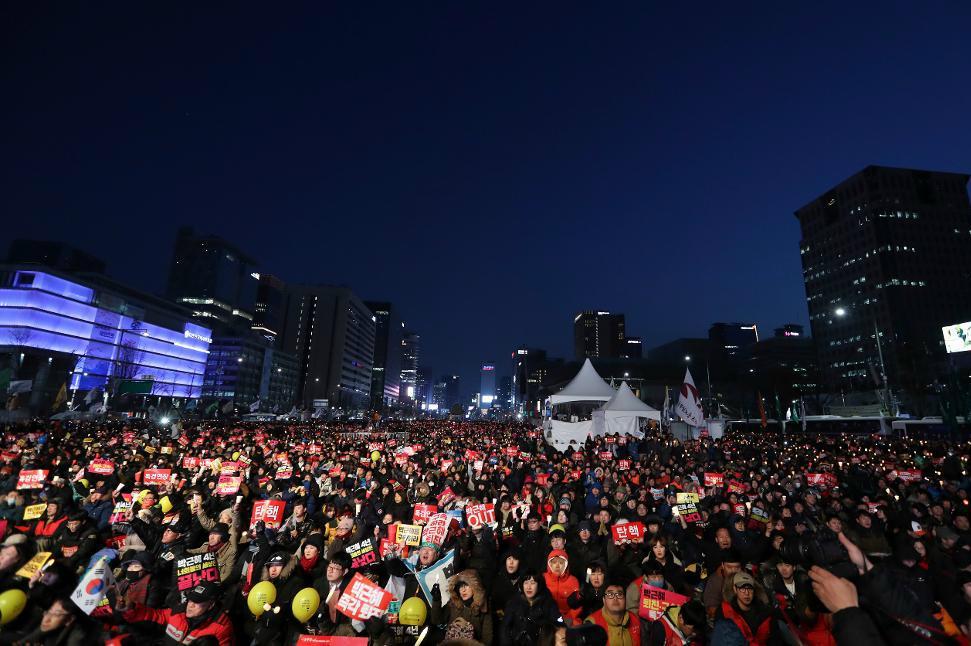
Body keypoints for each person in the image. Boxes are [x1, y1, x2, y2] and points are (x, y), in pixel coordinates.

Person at [117, 579, 234, 645]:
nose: (191, 605)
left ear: (211, 605)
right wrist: (131, 607)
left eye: (197, 602)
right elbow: (156, 615)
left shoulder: (221, 627)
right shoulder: (179, 611)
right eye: (191, 599)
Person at [431, 569, 493, 644]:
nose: (463, 590)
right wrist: (436, 600)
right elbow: (436, 620)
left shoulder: (483, 607)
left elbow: (487, 639)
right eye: (460, 587)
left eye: (466, 585)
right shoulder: (453, 604)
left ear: (475, 587)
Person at [500, 571, 563, 645]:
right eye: (526, 583)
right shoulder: (514, 603)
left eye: (533, 583)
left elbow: (559, 625)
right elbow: (505, 628)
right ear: (522, 585)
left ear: (539, 585)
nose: (529, 587)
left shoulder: (548, 603)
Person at [715, 571, 773, 645]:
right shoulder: (724, 611)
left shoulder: (765, 612)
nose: (746, 593)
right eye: (742, 588)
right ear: (735, 589)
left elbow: (775, 640)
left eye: (750, 588)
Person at [585, 581, 649, 645]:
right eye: (610, 594)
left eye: (620, 594)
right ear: (604, 600)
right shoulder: (592, 624)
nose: (615, 598)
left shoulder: (635, 620)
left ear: (625, 599)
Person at [544, 549, 581, 624]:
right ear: (549, 564)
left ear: (566, 564)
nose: (557, 566)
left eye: (561, 563)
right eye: (554, 562)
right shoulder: (543, 578)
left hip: (568, 618)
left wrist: (569, 619)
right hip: (547, 617)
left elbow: (578, 605)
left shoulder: (573, 581)